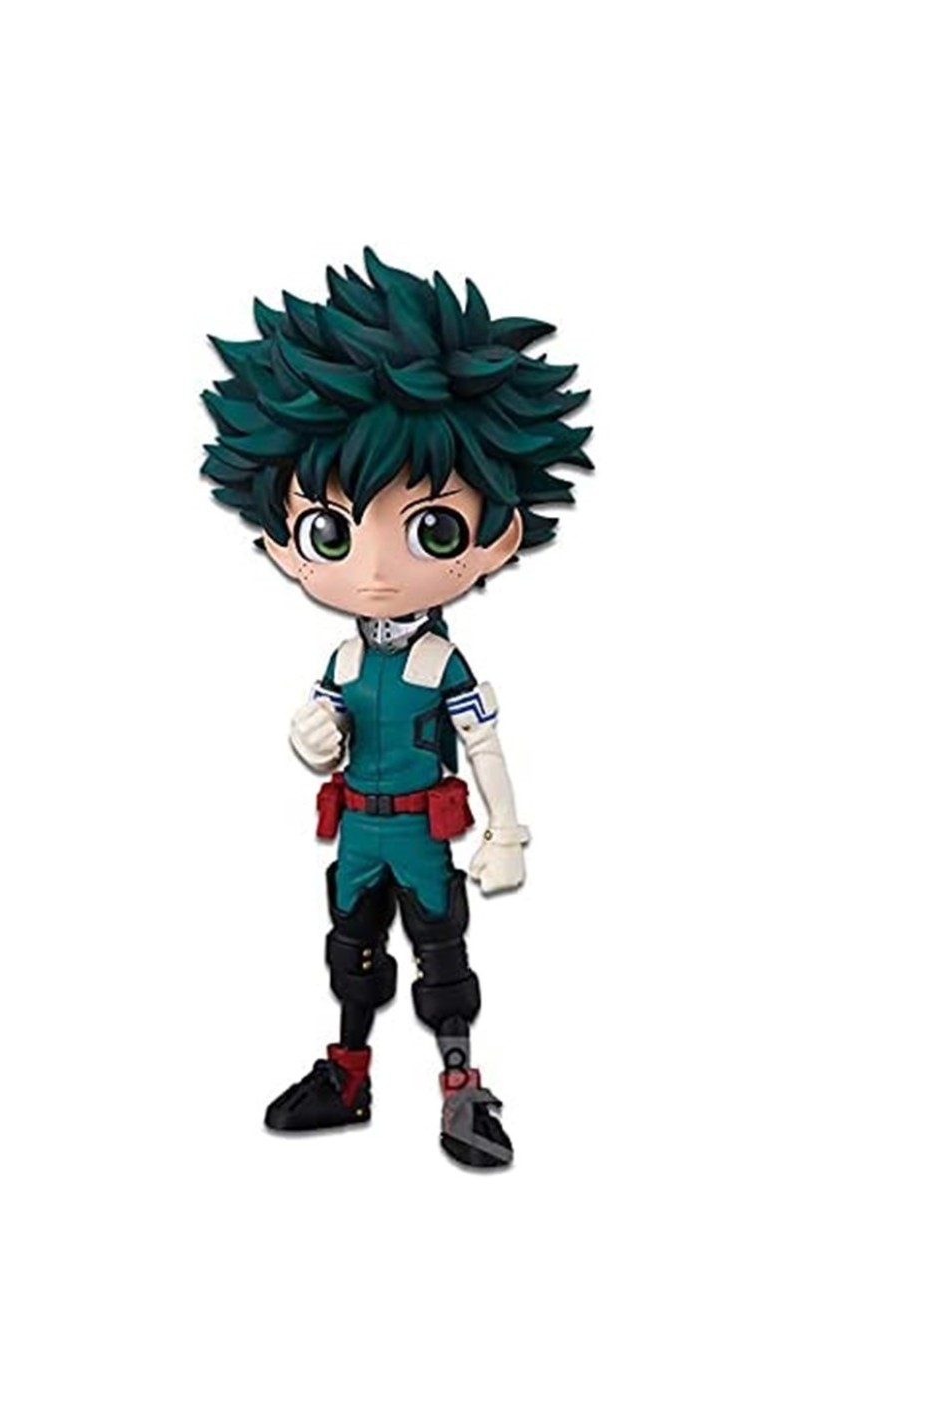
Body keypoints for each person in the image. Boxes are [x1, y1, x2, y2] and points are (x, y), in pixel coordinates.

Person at [201, 249, 592, 1167]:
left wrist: (507, 832)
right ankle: (348, 1072)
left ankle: (461, 1085)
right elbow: (324, 730)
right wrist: (311, 738)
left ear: (496, 537)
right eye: (330, 531)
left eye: (432, 528)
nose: (375, 571)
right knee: (352, 953)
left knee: (440, 957)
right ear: (284, 542)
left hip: (420, 833)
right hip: (358, 835)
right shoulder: (343, 658)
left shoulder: (439, 660)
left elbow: (483, 745)